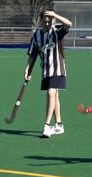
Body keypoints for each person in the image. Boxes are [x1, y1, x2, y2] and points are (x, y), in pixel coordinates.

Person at [23, 7, 72, 137]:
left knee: (51, 94)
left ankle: (47, 126)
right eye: (45, 21)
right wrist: (27, 70)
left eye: (50, 21)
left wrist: (54, 14)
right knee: (54, 96)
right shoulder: (37, 35)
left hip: (58, 69)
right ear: (41, 20)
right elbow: (32, 54)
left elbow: (69, 24)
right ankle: (59, 125)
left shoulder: (57, 31)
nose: (47, 23)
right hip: (45, 71)